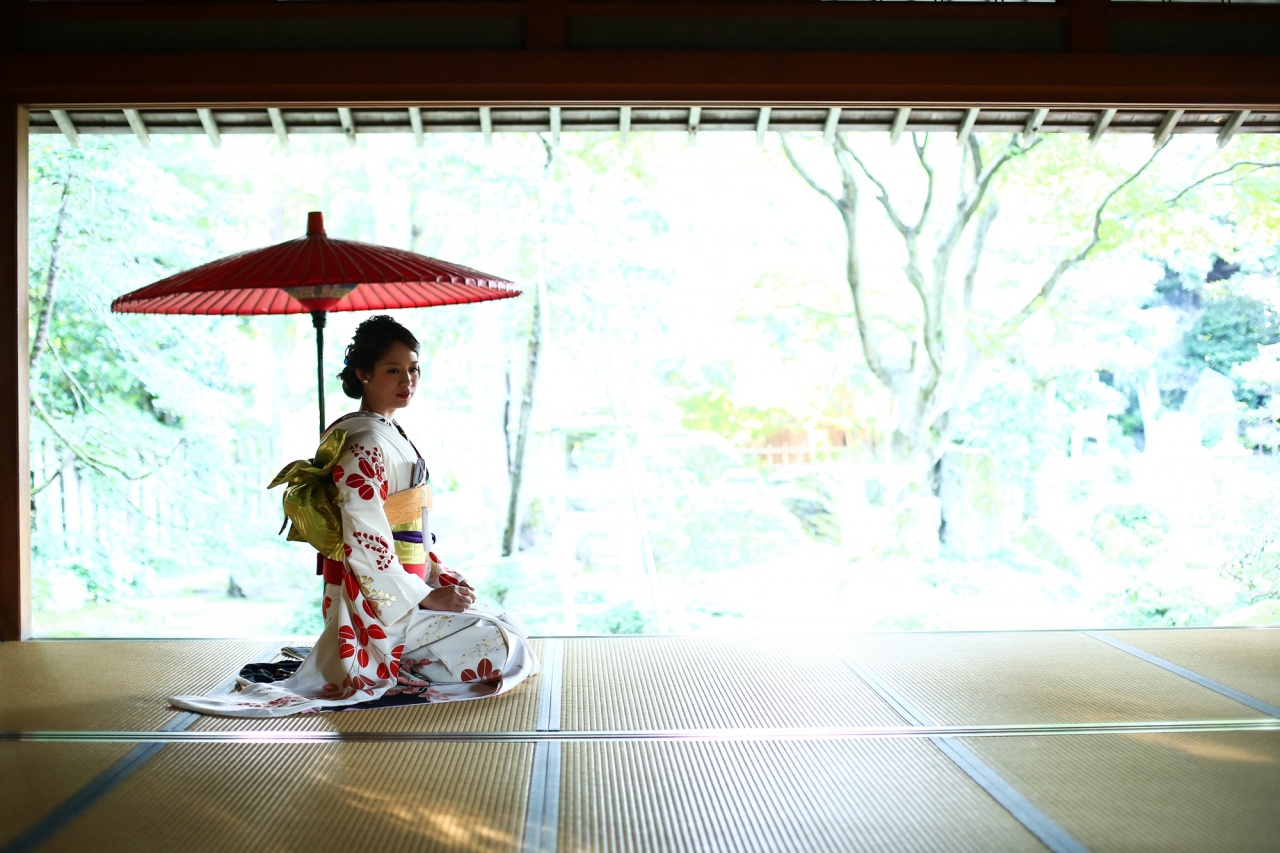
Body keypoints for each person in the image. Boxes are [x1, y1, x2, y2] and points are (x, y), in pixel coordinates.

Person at [170, 315, 538, 717]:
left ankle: (412, 659)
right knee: (499, 647)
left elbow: (411, 529)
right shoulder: (362, 439)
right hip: (370, 599)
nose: (408, 380)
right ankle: (389, 660)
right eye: (393, 370)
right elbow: (364, 536)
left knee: (506, 625)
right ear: (363, 373)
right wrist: (427, 596)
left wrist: (437, 575)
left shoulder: (385, 431)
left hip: (404, 584)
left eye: (414, 369)